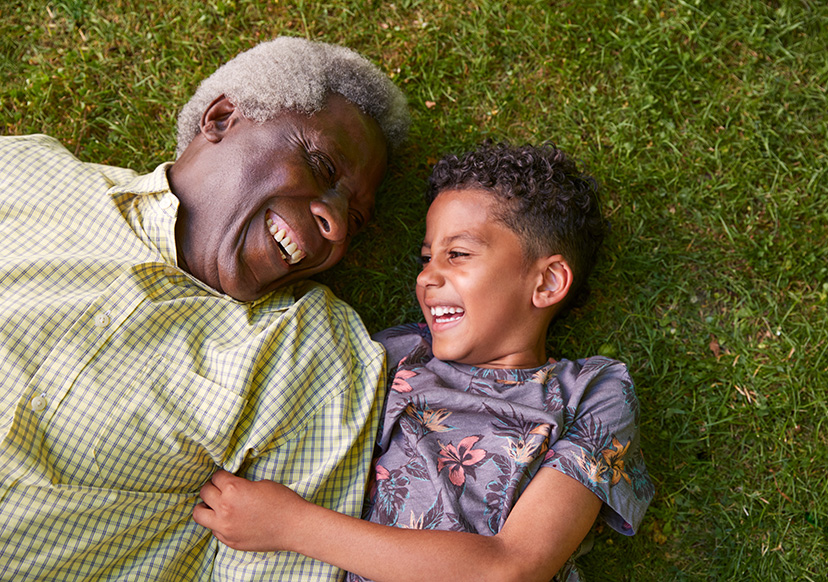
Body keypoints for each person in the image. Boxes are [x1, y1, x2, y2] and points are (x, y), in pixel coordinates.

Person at [0, 37, 408, 581]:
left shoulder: (307, 352)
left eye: (353, 220)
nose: (335, 226)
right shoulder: (27, 174)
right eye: (319, 163)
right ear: (220, 118)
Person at [193, 141, 655, 581]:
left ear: (548, 282)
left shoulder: (593, 394)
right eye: (426, 257)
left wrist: (290, 526)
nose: (428, 276)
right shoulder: (394, 356)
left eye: (458, 254)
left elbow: (513, 566)